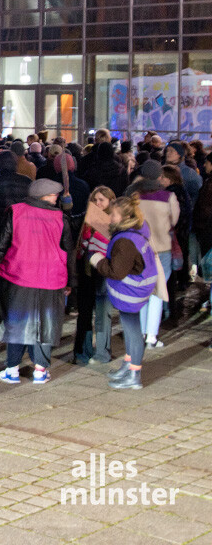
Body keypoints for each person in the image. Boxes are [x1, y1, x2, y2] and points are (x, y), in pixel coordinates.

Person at [0, 179, 74, 385]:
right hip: (52, 278)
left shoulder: (16, 212)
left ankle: (12, 369)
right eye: (54, 195)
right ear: (44, 196)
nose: (57, 198)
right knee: (46, 324)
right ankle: (40, 370)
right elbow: (69, 250)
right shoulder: (60, 218)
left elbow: (1, 244)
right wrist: (71, 281)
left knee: (17, 322)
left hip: (18, 275)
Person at [90, 196, 166, 390]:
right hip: (139, 289)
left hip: (130, 291)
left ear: (124, 217)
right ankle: (128, 365)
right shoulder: (139, 229)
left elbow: (116, 271)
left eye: (113, 214)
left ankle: (134, 375)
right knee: (131, 330)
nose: (110, 218)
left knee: (132, 333)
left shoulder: (125, 241)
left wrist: (97, 259)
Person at [126, 159, 176, 348]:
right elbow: (175, 220)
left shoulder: (132, 193)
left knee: (141, 290)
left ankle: (138, 333)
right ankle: (151, 336)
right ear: (159, 176)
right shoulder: (168, 196)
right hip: (161, 248)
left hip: (137, 247)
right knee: (157, 292)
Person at [74, 186, 117, 364]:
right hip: (87, 272)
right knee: (85, 313)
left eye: (102, 200)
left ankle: (102, 352)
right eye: (95, 200)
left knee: (103, 314)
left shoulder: (115, 222)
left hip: (104, 272)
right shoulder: (86, 220)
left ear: (110, 202)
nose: (98, 203)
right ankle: (82, 351)